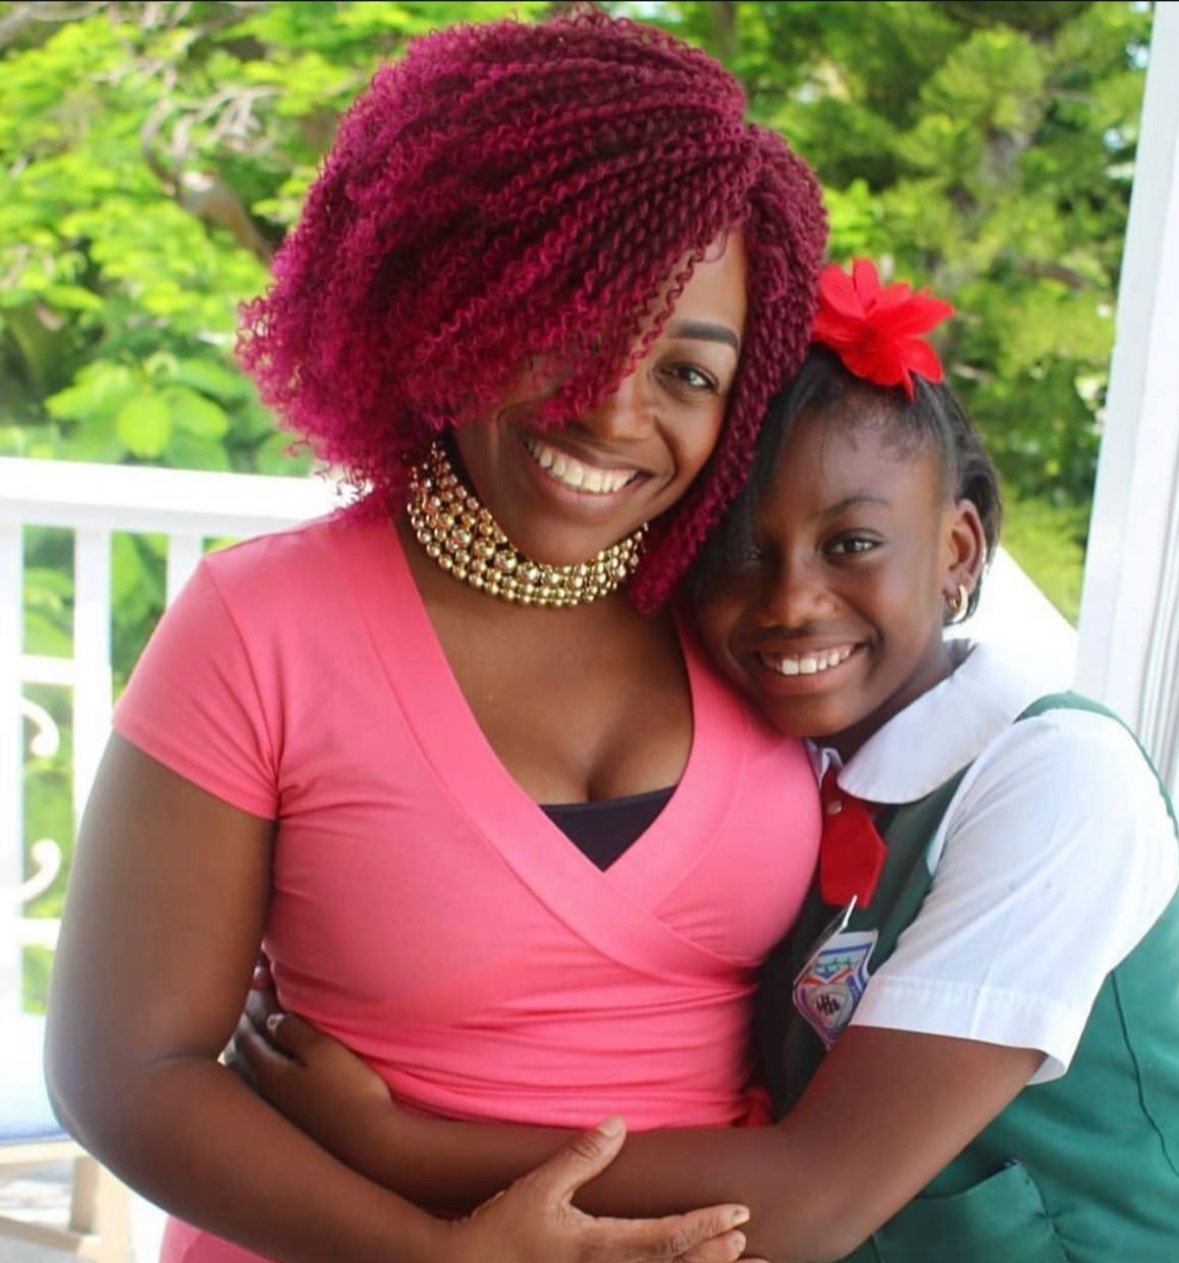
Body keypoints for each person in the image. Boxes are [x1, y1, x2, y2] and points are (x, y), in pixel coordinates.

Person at [236, 260, 1179, 1262]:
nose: (790, 601)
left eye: (853, 545)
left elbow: (816, 1196)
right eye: (740, 548)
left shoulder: (1058, 783)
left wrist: (393, 1145)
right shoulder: (786, 756)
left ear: (958, 550)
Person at [43, 9, 829, 1263]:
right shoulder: (264, 625)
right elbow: (125, 1071)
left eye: (688, 372)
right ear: (452, 297)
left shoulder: (754, 617)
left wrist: (1116, 923)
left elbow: (951, 789)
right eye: (578, 325)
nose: (614, 413)